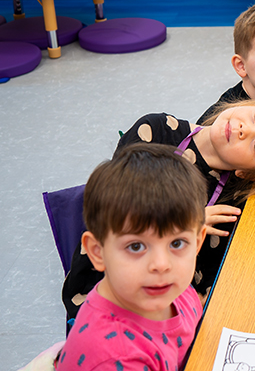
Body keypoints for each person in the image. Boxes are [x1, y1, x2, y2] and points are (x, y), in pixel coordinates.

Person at [62, 100, 255, 330]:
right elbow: (117, 208)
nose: (245, 129)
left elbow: (204, 285)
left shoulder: (229, 204)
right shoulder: (155, 130)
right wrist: (186, 222)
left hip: (159, 308)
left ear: (249, 174)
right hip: (104, 288)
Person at [55, 144, 208, 370]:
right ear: (97, 252)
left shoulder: (173, 289)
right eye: (136, 246)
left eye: (177, 243)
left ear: (198, 242)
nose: (161, 265)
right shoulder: (117, 359)